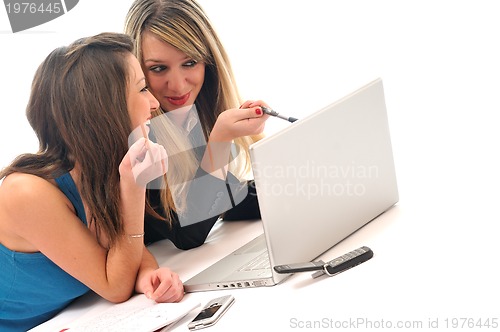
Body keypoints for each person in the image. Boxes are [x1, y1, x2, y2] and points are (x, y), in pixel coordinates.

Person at [0, 33, 184, 332]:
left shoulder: (97, 169)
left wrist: (148, 274)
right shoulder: (27, 192)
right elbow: (114, 286)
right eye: (141, 89)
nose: (153, 103)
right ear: (103, 108)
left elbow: (120, 246)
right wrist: (134, 187)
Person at [124, 0, 270, 249]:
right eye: (158, 68)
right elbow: (187, 234)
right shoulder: (135, 134)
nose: (178, 85)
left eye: (190, 63)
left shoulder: (194, 116)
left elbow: (229, 198)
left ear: (209, 62)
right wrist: (221, 141)